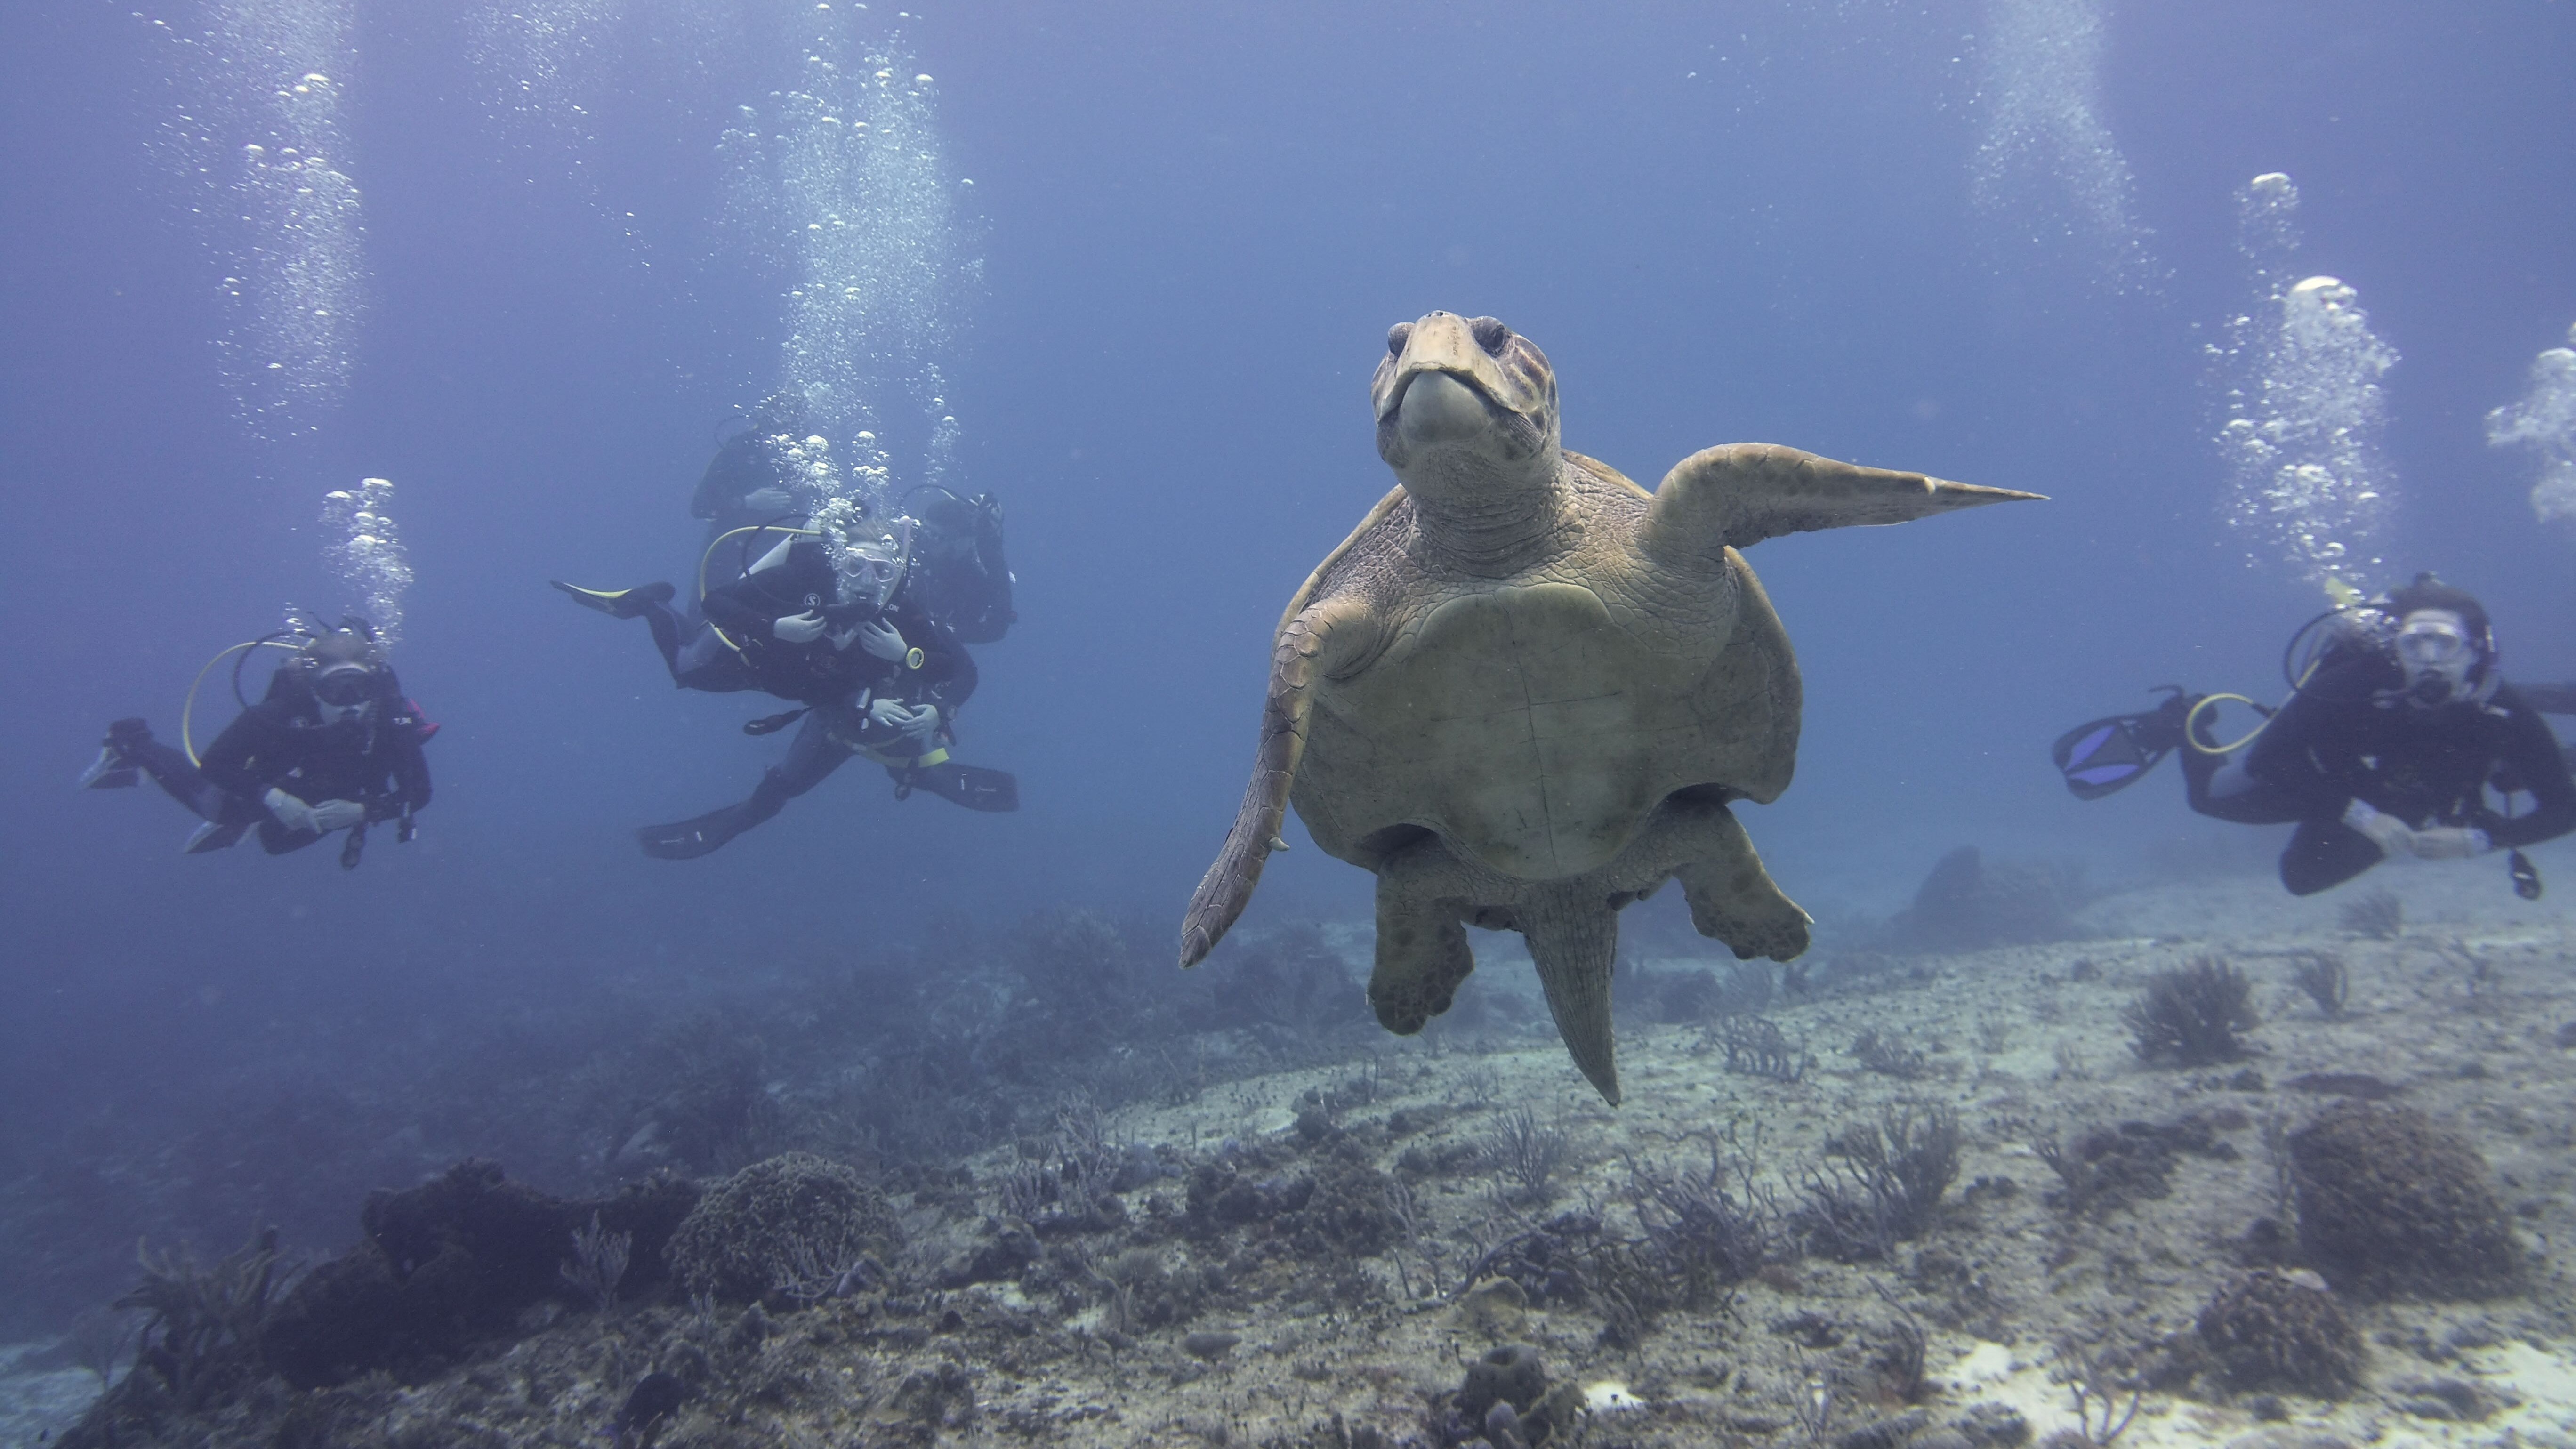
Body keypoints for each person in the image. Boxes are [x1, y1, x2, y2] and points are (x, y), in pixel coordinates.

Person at [2056, 574, 2574, 897]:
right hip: (2329, 768)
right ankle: (2180, 721)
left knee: (2306, 877)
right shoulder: (2358, 679)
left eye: (2445, 645)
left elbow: (2565, 808)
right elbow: (2269, 759)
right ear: (2397, 647)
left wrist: (2479, 840)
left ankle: (2535, 751)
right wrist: (2360, 815)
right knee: (2213, 803)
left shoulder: (2498, 705)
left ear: (2477, 652)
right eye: (2416, 645)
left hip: (2414, 774)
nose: (2430, 663)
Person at [558, 523, 1017, 858]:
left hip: (846, 709)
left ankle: (916, 769)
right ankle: (650, 606)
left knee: (883, 733)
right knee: (688, 673)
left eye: (880, 570)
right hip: (782, 677)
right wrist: (774, 625)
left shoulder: (901, 609)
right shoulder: (805, 583)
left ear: (894, 573)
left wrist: (932, 696)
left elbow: (961, 670)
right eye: (854, 564)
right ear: (839, 559)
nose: (865, 580)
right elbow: (716, 603)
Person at [82, 617, 435, 866]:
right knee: (217, 808)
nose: (350, 702)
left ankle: (254, 821)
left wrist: (362, 811)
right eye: (335, 690)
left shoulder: (391, 720)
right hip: (275, 782)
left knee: (278, 845)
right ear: (314, 689)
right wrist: (273, 797)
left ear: (375, 689)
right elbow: (216, 764)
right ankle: (129, 742)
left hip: (333, 797)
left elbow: (419, 792)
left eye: (361, 689)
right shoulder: (278, 713)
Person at [901, 486, 1016, 644]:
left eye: (935, 536)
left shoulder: (975, 577)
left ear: (961, 542)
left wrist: (937, 632)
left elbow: (997, 628)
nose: (925, 540)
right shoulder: (908, 546)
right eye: (924, 530)